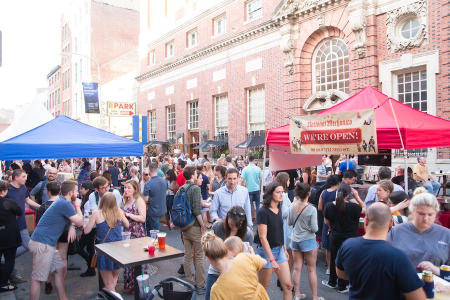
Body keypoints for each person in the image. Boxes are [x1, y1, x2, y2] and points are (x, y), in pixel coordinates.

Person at [336, 203, 426, 300]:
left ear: (366, 221)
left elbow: (341, 274)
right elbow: (418, 297)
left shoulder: (347, 245)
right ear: (391, 223)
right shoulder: (397, 257)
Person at [29, 180, 83, 300]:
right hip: (42, 244)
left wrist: (71, 226)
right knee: (38, 278)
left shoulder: (62, 202)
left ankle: (63, 298)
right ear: (70, 193)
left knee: (60, 269)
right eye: (76, 191)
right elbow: (80, 222)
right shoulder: (65, 204)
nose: (78, 193)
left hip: (46, 243)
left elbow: (73, 221)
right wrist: (78, 206)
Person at [387, 187, 450, 276]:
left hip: (436, 287)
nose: (425, 219)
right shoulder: (397, 231)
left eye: (430, 215)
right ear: (412, 212)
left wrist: (437, 270)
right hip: (402, 285)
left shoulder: (446, 235)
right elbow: (385, 262)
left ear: (436, 213)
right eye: (421, 214)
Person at [322, 184, 365, 293]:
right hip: (350, 238)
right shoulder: (354, 207)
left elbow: (326, 222)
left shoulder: (329, 206)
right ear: (348, 195)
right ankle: (343, 285)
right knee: (347, 260)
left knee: (334, 258)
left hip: (335, 235)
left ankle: (332, 282)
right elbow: (365, 209)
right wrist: (357, 197)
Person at [202, 232, 269, 300]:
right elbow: (264, 262)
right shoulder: (244, 257)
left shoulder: (216, 290)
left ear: (209, 259)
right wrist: (252, 256)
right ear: (225, 249)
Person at [84, 192, 129, 292]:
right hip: (118, 249)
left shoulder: (96, 213)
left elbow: (86, 231)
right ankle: (112, 294)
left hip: (105, 250)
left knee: (108, 283)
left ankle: (112, 296)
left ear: (102, 201)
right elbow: (127, 224)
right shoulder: (119, 212)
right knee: (114, 279)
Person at [206, 206, 254, 299]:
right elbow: (210, 245)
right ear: (227, 218)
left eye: (238, 225)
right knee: (210, 296)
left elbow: (248, 258)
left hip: (235, 272)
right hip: (216, 269)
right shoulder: (218, 226)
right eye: (231, 224)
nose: (234, 228)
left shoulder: (247, 233)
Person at [255, 182, 292, 300]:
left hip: (280, 250)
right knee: (262, 288)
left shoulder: (279, 208)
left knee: (287, 286)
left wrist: (284, 248)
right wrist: (271, 260)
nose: (282, 195)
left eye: (282, 192)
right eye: (278, 192)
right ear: (271, 194)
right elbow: (263, 238)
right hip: (266, 253)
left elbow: (280, 230)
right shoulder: (263, 212)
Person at [35, 181, 74, 295]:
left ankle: (48, 282)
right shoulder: (65, 204)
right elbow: (73, 218)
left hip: (49, 235)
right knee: (62, 257)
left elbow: (39, 223)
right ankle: (61, 280)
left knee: (49, 258)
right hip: (63, 231)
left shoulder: (43, 206)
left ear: (48, 192)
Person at [288, 183, 322, 300]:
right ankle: (315, 296)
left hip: (295, 239)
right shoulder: (311, 209)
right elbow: (315, 229)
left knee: (297, 267)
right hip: (308, 240)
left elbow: (289, 223)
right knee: (311, 269)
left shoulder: (292, 205)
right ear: (309, 193)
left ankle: (297, 294)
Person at [6, 169, 40, 284]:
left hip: (21, 222)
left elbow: (27, 200)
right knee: (12, 248)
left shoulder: (23, 188)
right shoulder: (7, 189)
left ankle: (5, 262)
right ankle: (11, 272)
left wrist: (40, 207)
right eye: (24, 176)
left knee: (27, 245)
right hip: (10, 225)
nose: (26, 178)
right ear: (16, 178)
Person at [180, 166, 206, 295]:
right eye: (196, 173)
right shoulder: (195, 189)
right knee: (200, 256)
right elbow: (197, 210)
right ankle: (200, 285)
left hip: (184, 225)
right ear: (192, 175)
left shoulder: (182, 188)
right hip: (194, 225)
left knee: (187, 255)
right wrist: (202, 225)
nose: (197, 175)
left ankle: (188, 283)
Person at [122, 180, 147, 294]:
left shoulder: (139, 201)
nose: (126, 190)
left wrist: (128, 215)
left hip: (137, 234)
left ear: (134, 189)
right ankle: (130, 284)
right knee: (128, 260)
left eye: (128, 188)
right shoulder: (125, 201)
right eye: (125, 188)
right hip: (127, 233)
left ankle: (137, 286)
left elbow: (142, 218)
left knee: (137, 261)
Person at [0, 180, 23, 292]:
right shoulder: (8, 202)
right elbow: (19, 212)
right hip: (8, 235)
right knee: (9, 259)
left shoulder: (8, 202)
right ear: (3, 191)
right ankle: (3, 283)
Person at [318, 175, 341, 275]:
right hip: (336, 220)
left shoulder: (324, 192)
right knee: (336, 244)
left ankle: (329, 266)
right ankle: (335, 267)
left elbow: (320, 207)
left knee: (327, 245)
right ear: (339, 183)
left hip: (325, 219)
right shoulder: (338, 193)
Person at [274, 172, 293, 285]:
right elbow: (284, 212)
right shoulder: (283, 195)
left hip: (283, 226)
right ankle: (284, 279)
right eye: (288, 179)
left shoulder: (280, 194)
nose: (289, 181)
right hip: (285, 226)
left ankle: (283, 279)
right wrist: (294, 205)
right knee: (287, 254)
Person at [77, 181, 97, 277]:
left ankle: (92, 263)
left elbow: (87, 217)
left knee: (78, 247)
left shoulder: (88, 202)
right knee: (90, 248)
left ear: (87, 190)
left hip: (89, 227)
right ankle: (91, 268)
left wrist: (82, 230)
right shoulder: (88, 200)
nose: (80, 190)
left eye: (82, 188)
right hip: (91, 227)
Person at [143, 163, 168, 232]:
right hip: (162, 209)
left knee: (155, 231)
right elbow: (166, 193)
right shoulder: (164, 181)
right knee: (149, 224)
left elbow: (145, 199)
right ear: (157, 169)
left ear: (149, 170)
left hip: (153, 210)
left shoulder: (148, 184)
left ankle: (157, 241)